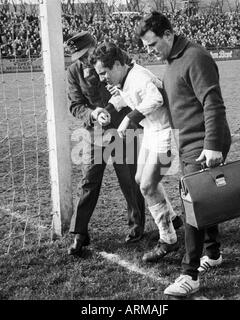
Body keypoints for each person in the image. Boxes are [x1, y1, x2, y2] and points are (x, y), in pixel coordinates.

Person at [137, 11, 232, 297]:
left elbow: (213, 103)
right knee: (205, 199)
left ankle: (189, 274)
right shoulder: (173, 61)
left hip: (202, 143)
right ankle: (213, 254)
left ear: (168, 34)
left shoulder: (195, 57)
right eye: (145, 47)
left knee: (192, 204)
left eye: (153, 43)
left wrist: (212, 144)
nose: (150, 51)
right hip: (188, 142)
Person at [90, 42, 183, 263]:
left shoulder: (139, 77)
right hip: (152, 131)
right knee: (140, 178)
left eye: (104, 72)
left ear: (117, 65)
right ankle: (172, 218)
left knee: (146, 186)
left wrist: (130, 119)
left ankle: (168, 239)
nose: (102, 78)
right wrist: (108, 110)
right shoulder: (126, 77)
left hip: (165, 132)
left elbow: (156, 99)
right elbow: (125, 96)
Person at [65, 31, 145, 256]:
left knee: (129, 178)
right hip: (94, 133)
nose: (82, 59)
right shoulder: (73, 72)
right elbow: (75, 105)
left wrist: (118, 94)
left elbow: (135, 87)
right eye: (78, 56)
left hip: (122, 127)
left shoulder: (118, 57)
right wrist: (93, 113)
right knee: (89, 180)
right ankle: (79, 232)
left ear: (94, 46)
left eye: (85, 54)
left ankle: (136, 225)